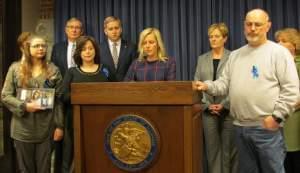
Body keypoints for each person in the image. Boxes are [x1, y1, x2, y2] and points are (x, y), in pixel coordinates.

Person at [193, 9, 299, 173]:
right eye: (249, 24)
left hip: (267, 130)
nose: (253, 28)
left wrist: (277, 118)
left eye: (258, 24)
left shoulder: (279, 53)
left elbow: (292, 90)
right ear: (244, 26)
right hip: (240, 128)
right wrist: (206, 86)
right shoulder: (235, 55)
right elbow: (223, 84)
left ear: (268, 26)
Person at [1, 34, 64, 173]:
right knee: (25, 170)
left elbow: (59, 99)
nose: (41, 48)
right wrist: (24, 106)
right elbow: (5, 95)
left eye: (43, 46)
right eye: (36, 46)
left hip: (46, 129)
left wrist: (59, 126)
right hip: (22, 129)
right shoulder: (15, 68)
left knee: (45, 169)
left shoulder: (54, 70)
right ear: (27, 48)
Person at [61, 36, 116, 172]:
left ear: (95, 51)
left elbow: (116, 91)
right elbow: (63, 95)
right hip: (75, 122)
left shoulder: (105, 69)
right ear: (79, 52)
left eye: (90, 48)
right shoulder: (72, 72)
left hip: (104, 121)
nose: (87, 52)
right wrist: (84, 96)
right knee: (73, 156)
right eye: (84, 49)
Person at [194, 23, 237, 173]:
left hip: (229, 109)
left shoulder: (233, 57)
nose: (213, 39)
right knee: (212, 151)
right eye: (210, 37)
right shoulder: (202, 59)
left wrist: (225, 104)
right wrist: (207, 105)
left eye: (217, 36)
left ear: (225, 38)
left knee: (229, 151)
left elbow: (236, 85)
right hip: (207, 110)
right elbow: (197, 84)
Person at [50, 17, 83, 173]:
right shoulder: (58, 47)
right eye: (71, 27)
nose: (74, 30)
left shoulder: (86, 46)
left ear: (81, 30)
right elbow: (52, 69)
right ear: (66, 29)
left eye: (77, 27)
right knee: (63, 139)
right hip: (62, 96)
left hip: (82, 94)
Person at [275, 28, 300, 173]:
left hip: (294, 118)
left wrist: (287, 107)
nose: (279, 44)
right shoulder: (281, 64)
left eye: (283, 41)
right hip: (281, 118)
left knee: (294, 157)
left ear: (294, 44)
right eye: (278, 41)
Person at [99, 16, 137, 81]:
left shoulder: (131, 47)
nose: (114, 31)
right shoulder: (98, 48)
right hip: (106, 87)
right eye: (110, 29)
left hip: (127, 87)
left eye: (116, 28)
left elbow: (135, 69)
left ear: (121, 29)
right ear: (105, 31)